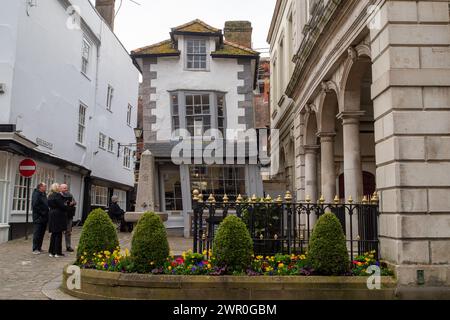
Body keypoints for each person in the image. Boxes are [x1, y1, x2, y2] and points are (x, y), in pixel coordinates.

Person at [47, 183, 68, 258]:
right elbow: (62, 206)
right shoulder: (58, 195)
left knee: (53, 234)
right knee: (58, 234)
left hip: (52, 214)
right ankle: (57, 252)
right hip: (58, 215)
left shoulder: (49, 195)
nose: (60, 187)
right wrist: (66, 205)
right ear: (56, 188)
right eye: (59, 186)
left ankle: (51, 252)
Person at [31, 183, 49, 254]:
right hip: (38, 217)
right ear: (40, 187)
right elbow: (35, 205)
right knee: (37, 233)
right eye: (45, 186)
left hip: (44, 217)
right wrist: (43, 213)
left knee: (42, 233)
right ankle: (35, 248)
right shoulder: (36, 194)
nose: (46, 188)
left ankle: (39, 247)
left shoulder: (43, 194)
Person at [60, 184, 76, 252]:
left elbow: (75, 202)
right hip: (61, 215)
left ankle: (68, 246)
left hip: (69, 215)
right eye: (64, 188)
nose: (66, 189)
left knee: (68, 231)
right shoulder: (59, 195)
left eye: (66, 188)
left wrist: (73, 203)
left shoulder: (70, 194)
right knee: (59, 232)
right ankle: (58, 246)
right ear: (60, 188)